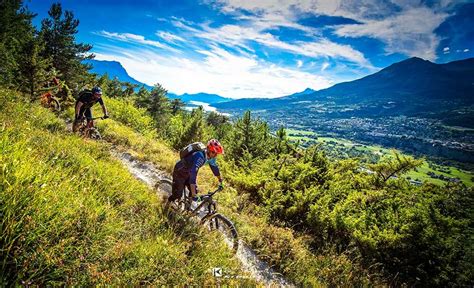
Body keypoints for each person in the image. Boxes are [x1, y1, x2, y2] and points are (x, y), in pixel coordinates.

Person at [168, 139, 224, 207]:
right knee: (177, 194)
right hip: (180, 171)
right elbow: (193, 175)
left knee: (194, 191)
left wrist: (220, 180)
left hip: (188, 172)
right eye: (213, 152)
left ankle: (187, 208)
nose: (215, 155)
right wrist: (194, 195)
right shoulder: (199, 156)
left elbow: (215, 168)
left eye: (216, 154)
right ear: (208, 149)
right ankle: (168, 204)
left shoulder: (210, 157)